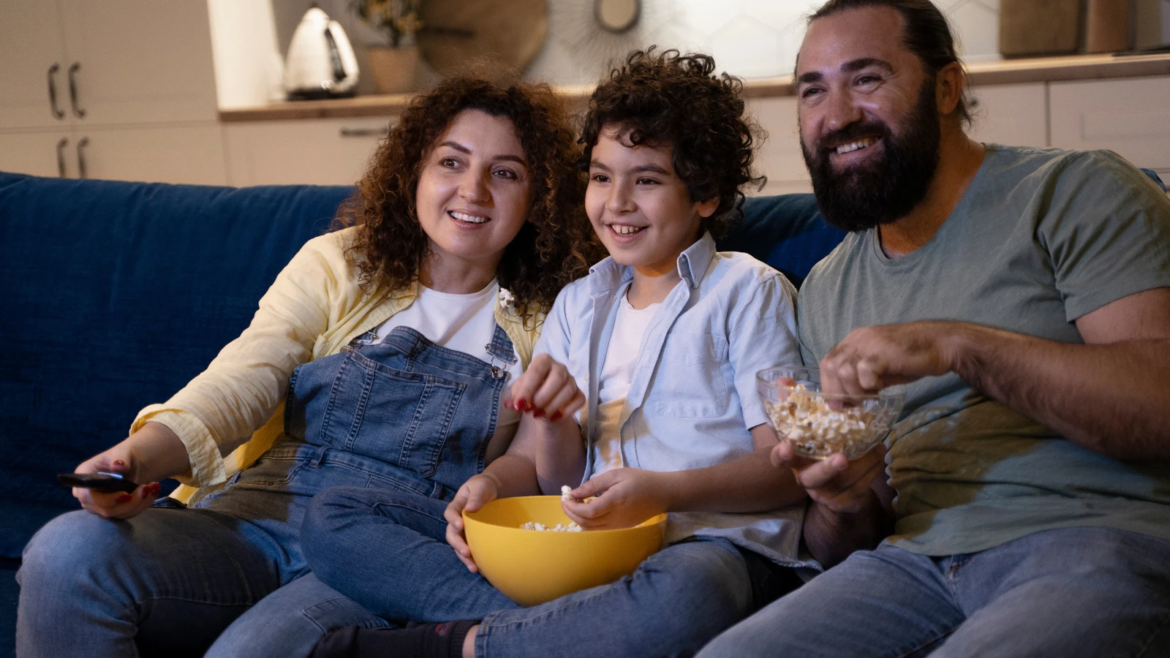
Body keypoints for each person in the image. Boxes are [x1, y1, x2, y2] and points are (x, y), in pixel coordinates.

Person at [16, 72, 601, 658]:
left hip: (385, 549)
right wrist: (135, 459)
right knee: (66, 551)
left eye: (505, 172)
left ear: (540, 195)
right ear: (415, 172)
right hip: (252, 519)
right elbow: (242, 380)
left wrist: (502, 476)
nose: (472, 190)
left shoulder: (557, 308)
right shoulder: (340, 263)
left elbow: (538, 463)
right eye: (451, 162)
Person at [301, 49, 817, 658]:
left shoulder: (746, 292)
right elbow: (550, 476)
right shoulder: (579, 303)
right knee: (334, 516)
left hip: (705, 548)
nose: (616, 202)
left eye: (646, 179)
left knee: (690, 595)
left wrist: (662, 492)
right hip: (583, 547)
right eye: (601, 177)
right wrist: (493, 480)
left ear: (705, 195)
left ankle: (454, 646)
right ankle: (570, 630)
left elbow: (788, 469)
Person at [697, 1, 1170, 657]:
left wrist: (958, 344)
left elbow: (1158, 403)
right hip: (911, 564)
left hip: (1093, 536)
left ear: (947, 87)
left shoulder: (1075, 192)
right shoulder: (828, 288)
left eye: (866, 79)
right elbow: (850, 538)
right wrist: (842, 499)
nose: (836, 116)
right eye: (813, 91)